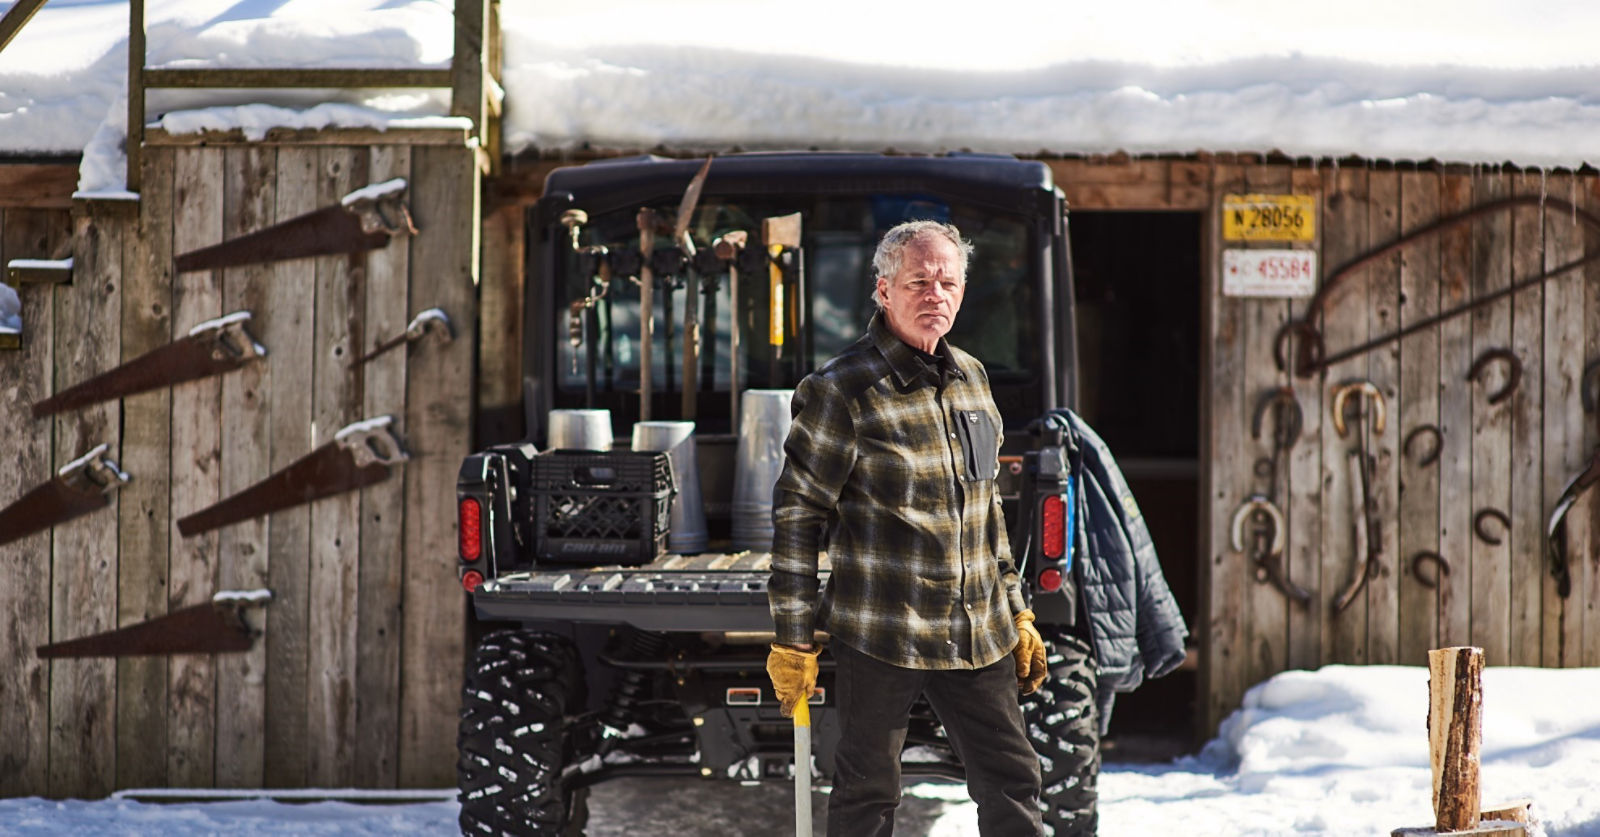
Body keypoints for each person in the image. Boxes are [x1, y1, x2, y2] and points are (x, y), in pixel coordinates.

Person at [765, 220, 1048, 836]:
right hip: (882, 632)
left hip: (978, 629)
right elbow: (797, 514)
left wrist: (1018, 610)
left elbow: (987, 506)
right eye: (918, 281)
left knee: (1014, 781)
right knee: (867, 794)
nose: (935, 294)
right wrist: (793, 636)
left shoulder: (973, 377)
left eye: (948, 282)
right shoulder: (841, 389)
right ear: (883, 290)